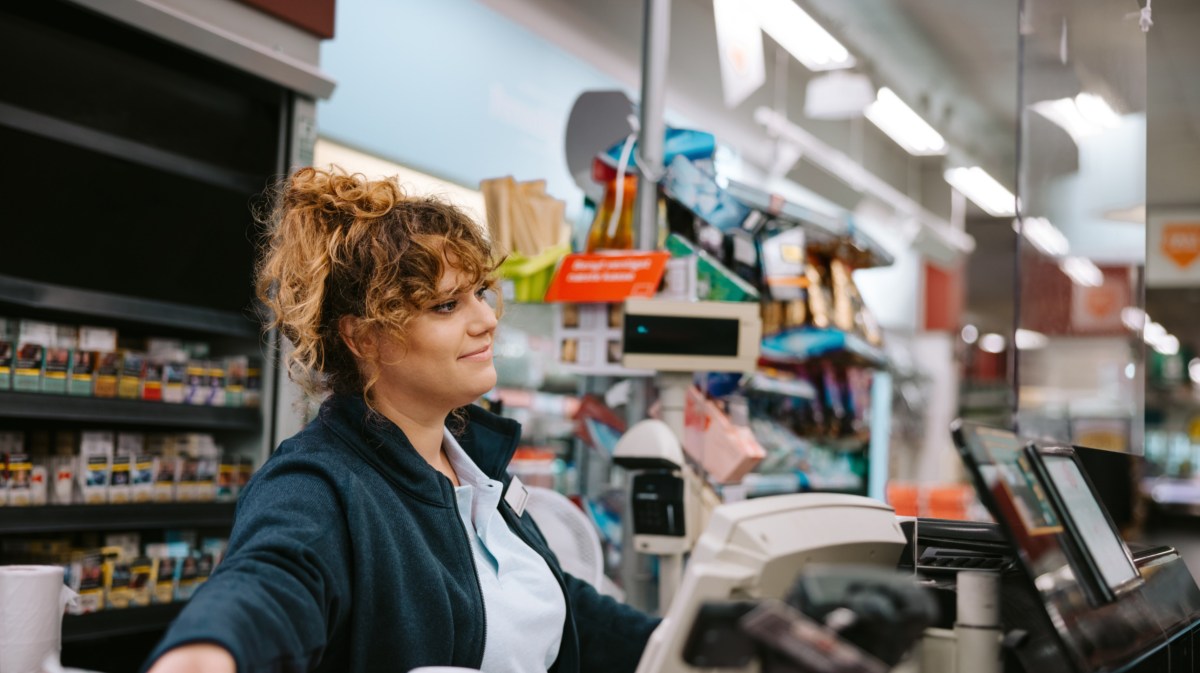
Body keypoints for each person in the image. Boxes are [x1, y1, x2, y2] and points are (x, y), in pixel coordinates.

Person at [144, 167, 659, 673]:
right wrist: (208, 649)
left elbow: (562, 607)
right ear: (363, 337)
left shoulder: (479, 466)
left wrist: (676, 641)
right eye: (445, 305)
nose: (486, 320)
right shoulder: (319, 483)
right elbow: (271, 579)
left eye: (479, 293)